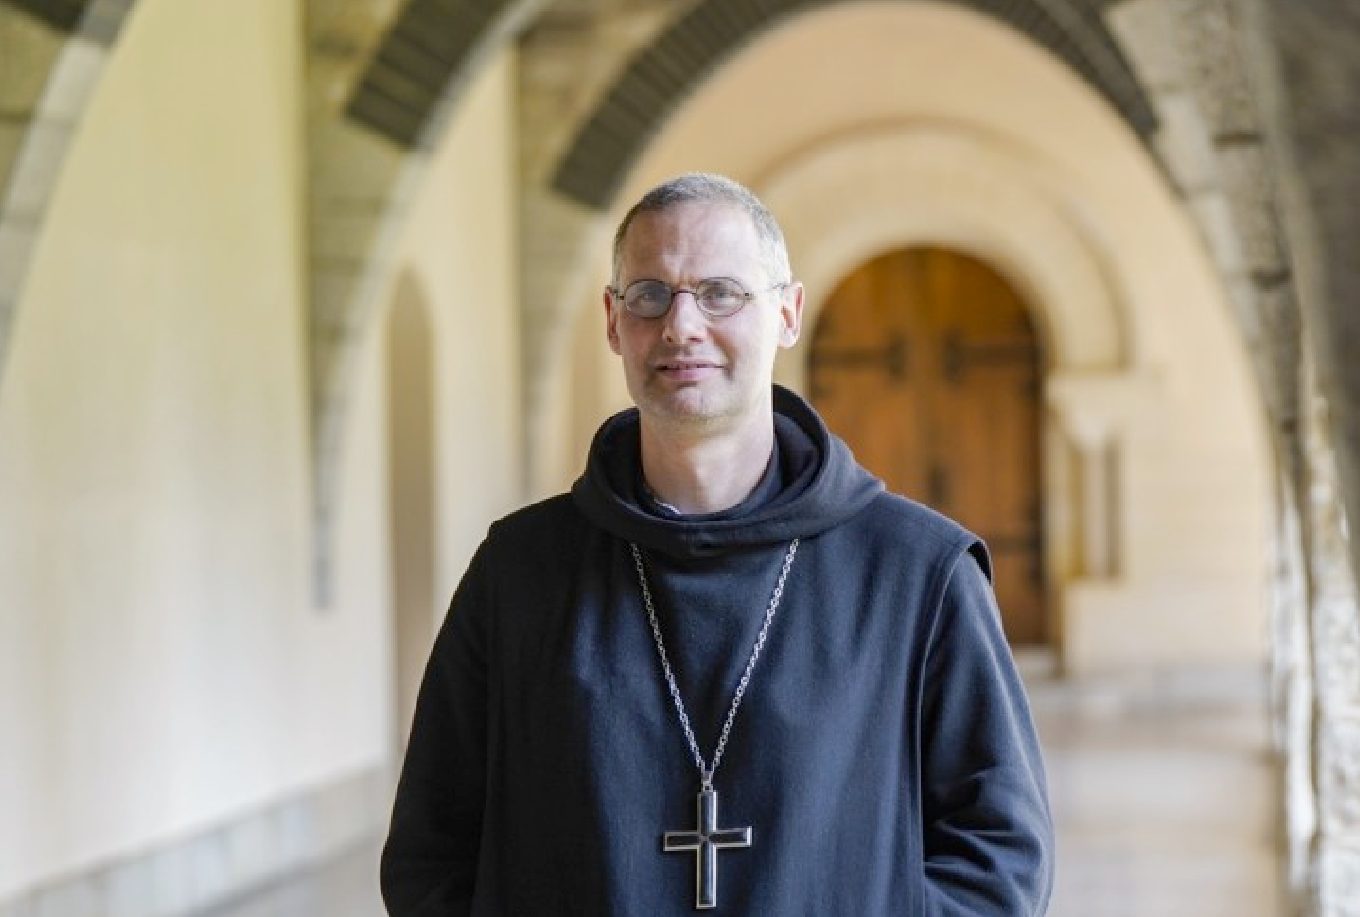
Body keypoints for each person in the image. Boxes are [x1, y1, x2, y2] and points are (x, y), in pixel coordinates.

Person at [381, 172, 1053, 914]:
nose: (680, 326)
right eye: (649, 295)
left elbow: (998, 858)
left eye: (720, 292)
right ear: (612, 320)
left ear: (787, 313)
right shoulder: (519, 571)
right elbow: (431, 849)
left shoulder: (917, 573)